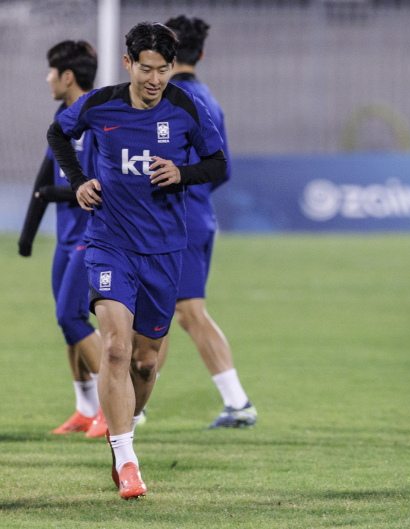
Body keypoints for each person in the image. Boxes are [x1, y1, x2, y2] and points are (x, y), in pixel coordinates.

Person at [47, 22, 227, 499]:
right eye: (145, 69)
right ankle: (127, 461)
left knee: (144, 364)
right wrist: (79, 178)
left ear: (171, 68)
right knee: (114, 349)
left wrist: (182, 172)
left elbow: (219, 163)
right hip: (109, 243)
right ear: (128, 64)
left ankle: (122, 434)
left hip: (164, 251)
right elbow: (57, 134)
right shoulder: (101, 104)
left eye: (162, 70)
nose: (154, 79)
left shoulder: (186, 106)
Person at [150, 14, 256, 429]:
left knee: (187, 312)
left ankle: (238, 402)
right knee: (165, 312)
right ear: (203, 52)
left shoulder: (170, 101)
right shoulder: (207, 98)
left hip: (177, 223)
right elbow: (222, 168)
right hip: (196, 217)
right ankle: (135, 408)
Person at [19, 40, 107, 439]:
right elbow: (45, 174)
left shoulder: (99, 116)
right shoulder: (63, 117)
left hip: (90, 235)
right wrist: (28, 233)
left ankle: (118, 403)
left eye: (52, 72)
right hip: (65, 236)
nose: (47, 78)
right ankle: (85, 408)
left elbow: (99, 184)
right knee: (69, 322)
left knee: (70, 316)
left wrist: (52, 195)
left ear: (67, 76)